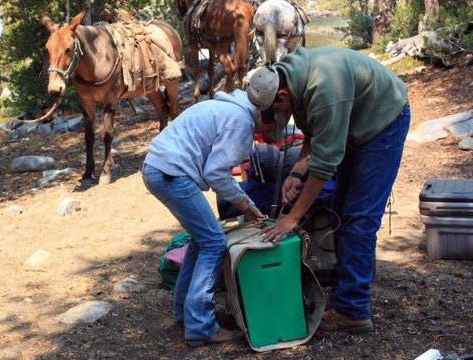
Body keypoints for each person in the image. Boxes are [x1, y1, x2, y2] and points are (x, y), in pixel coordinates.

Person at [247, 46, 410, 334]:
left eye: (279, 111)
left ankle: (353, 310)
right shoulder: (289, 75)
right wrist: (297, 171)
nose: (280, 117)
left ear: (281, 96)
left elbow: (324, 165)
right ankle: (344, 283)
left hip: (383, 122)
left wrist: (293, 218)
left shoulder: (324, 88)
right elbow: (313, 133)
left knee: (359, 218)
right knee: (340, 207)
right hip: (351, 120)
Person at [142, 89, 271, 347]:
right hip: (171, 172)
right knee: (214, 242)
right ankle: (200, 325)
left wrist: (244, 203)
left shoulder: (227, 106)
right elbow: (216, 173)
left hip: (157, 167)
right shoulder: (241, 121)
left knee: (202, 240)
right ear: (263, 114)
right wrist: (245, 203)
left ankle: (185, 313)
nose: (269, 131)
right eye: (271, 125)